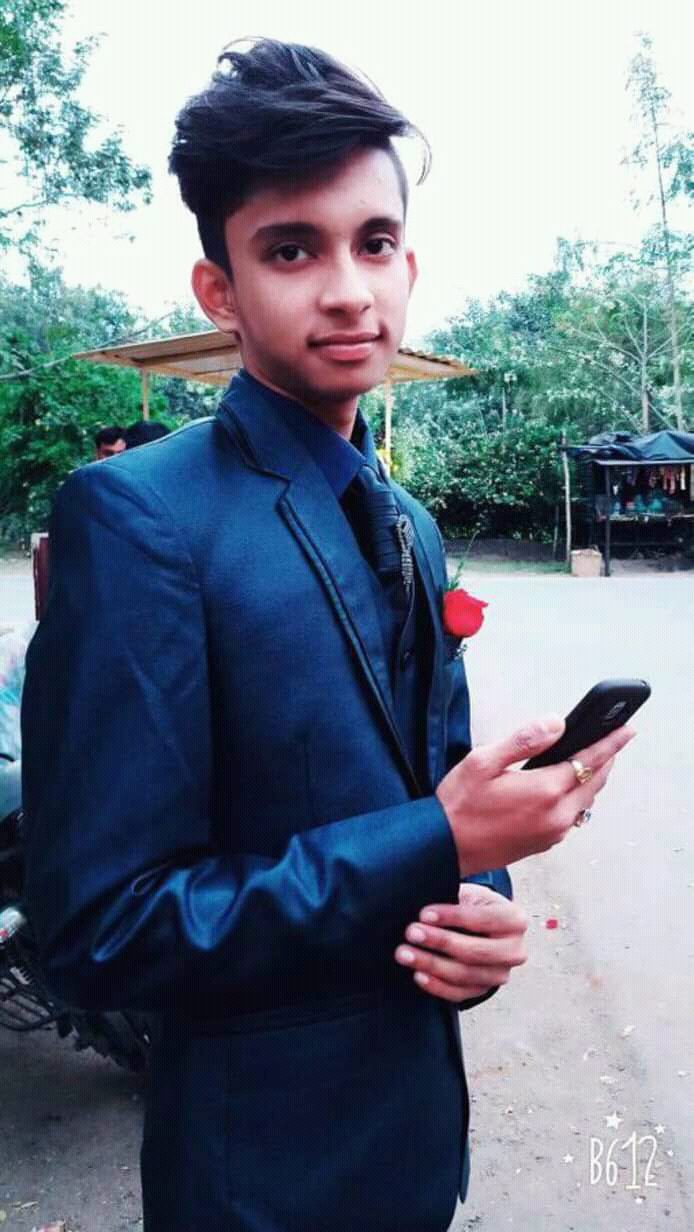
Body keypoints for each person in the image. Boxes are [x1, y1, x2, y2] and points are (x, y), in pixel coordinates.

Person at [21, 39, 634, 1232]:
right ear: (219, 290)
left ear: (410, 262)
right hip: (257, 1182)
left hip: (417, 1148)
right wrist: (437, 840)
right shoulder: (139, 519)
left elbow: (432, 788)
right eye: (291, 249)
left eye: (375, 241)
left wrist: (480, 899)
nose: (349, 289)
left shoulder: (408, 522)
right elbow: (101, 934)